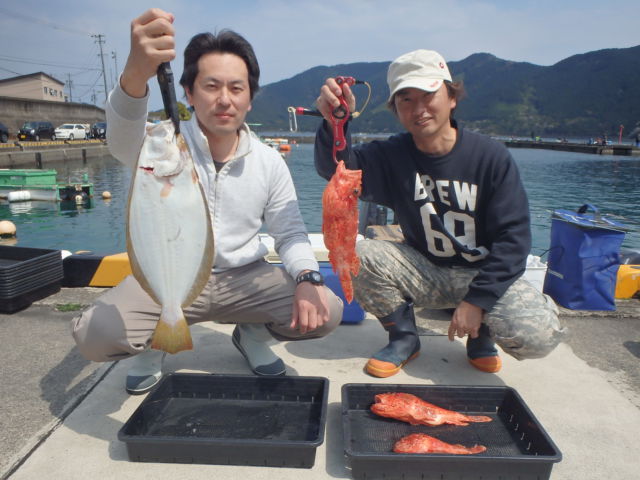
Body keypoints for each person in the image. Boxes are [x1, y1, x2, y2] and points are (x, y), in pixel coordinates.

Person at [72, 8, 343, 394]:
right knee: (95, 335)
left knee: (326, 310)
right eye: (211, 86)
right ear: (189, 93)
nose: (224, 99)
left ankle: (252, 336)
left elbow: (291, 234)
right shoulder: (159, 145)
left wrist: (307, 277)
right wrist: (134, 76)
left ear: (250, 98)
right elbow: (121, 138)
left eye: (236, 88)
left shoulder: (269, 162)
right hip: (168, 274)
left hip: (244, 277)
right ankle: (155, 344)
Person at [314, 49, 565, 378]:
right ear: (396, 108)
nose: (418, 109)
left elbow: (514, 240)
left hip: (480, 271)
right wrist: (334, 123)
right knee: (358, 255)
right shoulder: (392, 154)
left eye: (428, 95)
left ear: (452, 97)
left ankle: (481, 333)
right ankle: (404, 337)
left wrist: (478, 302)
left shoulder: (490, 157)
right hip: (424, 270)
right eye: (406, 99)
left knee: (538, 336)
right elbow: (338, 171)